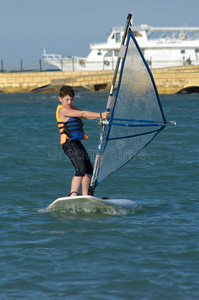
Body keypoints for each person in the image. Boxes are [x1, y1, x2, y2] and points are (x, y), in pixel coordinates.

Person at [56, 85, 109, 197]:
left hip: (77, 143)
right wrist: (100, 114)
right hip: (69, 144)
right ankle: (73, 195)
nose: (69, 102)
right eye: (67, 100)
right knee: (81, 169)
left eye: (71, 99)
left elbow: (86, 116)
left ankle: (86, 195)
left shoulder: (73, 109)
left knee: (89, 168)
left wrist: (100, 117)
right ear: (60, 99)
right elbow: (82, 114)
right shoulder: (63, 111)